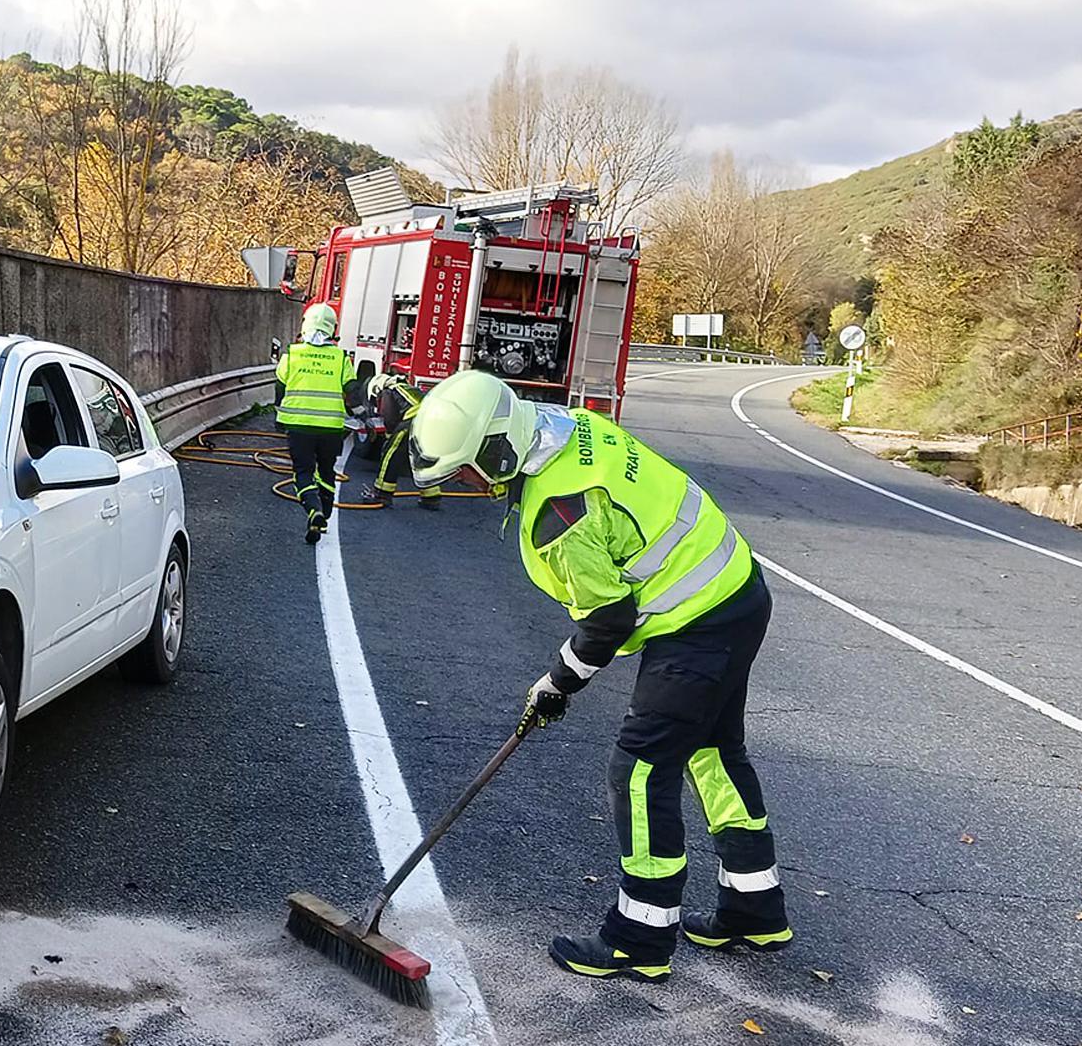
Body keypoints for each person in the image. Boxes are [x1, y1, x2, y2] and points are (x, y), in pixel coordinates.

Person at [407, 370, 789, 983]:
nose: (469, 487)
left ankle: (640, 938)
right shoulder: (572, 427)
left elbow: (608, 619)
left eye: (469, 472)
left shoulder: (560, 516)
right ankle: (754, 908)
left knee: (639, 770)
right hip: (737, 589)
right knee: (713, 752)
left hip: (695, 623)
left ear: (499, 448)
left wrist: (556, 684)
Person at [275, 304, 355, 544]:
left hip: (298, 426)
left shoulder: (293, 353)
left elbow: (280, 386)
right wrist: (362, 417)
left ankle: (313, 510)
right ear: (333, 329)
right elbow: (352, 390)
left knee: (303, 471)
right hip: (331, 428)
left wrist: (279, 416)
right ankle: (325, 515)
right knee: (327, 470)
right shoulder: (341, 358)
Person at [357, 372, 441, 510]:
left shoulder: (389, 390)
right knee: (423, 457)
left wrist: (389, 438)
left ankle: (381, 494)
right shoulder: (407, 388)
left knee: (390, 452)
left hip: (416, 419)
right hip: (433, 421)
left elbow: (390, 419)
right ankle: (431, 497)